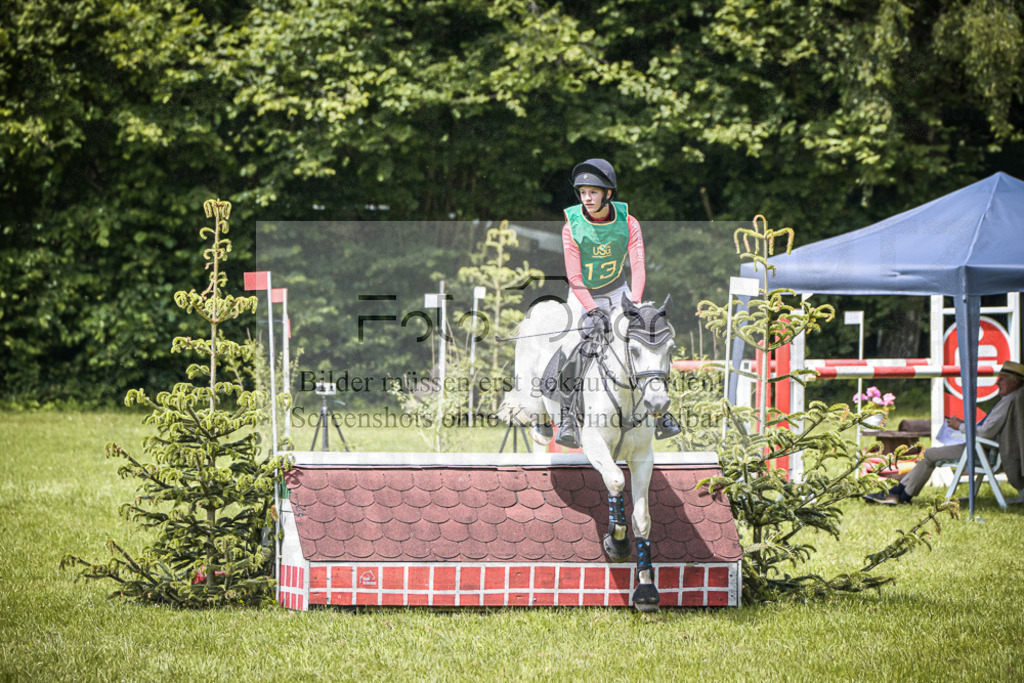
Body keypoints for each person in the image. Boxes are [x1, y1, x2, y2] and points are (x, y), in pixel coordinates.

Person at [554, 158, 680, 448]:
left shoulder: (628, 222)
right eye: (583, 192)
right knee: (572, 343)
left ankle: (661, 414)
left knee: (643, 338)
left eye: (593, 192)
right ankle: (568, 417)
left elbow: (638, 265)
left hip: (618, 290)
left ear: (608, 193)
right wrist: (593, 309)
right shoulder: (571, 226)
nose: (587, 198)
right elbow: (574, 276)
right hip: (582, 293)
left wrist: (633, 304)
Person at [864, 360, 1024, 505]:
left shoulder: (1008, 401)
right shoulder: (1013, 399)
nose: (997, 383)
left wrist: (959, 426)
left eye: (1002, 379)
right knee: (929, 455)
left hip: (982, 451)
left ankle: (898, 495)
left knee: (928, 455)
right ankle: (896, 494)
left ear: (1015, 381)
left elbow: (985, 433)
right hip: (986, 449)